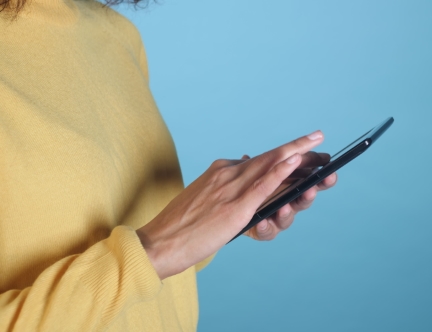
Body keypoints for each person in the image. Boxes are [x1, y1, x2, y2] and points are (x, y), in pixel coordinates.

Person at [0, 0, 337, 330]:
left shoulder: (115, 33)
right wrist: (153, 251)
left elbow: (143, 274)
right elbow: (145, 257)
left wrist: (224, 214)